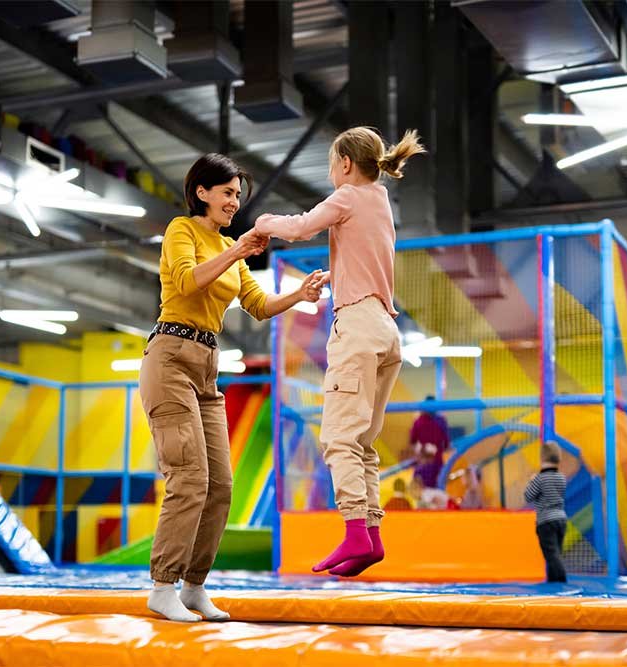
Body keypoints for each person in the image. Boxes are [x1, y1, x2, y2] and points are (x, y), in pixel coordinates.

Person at [141, 153, 329, 622]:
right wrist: (235, 249)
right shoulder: (182, 230)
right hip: (170, 356)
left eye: (238, 195)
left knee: (220, 485)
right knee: (188, 478)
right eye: (227, 193)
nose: (234, 201)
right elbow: (185, 284)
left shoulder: (232, 248)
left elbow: (259, 306)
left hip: (207, 364)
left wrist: (299, 297)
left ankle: (193, 586)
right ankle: (162, 586)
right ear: (202, 192)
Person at [255, 127, 426, 577]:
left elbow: (298, 228)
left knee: (337, 438)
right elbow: (365, 256)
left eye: (332, 164)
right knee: (362, 441)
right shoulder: (380, 201)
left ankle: (354, 530)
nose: (332, 173)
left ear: (345, 164)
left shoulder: (349, 195)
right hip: (387, 331)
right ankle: (369, 535)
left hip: (357, 326)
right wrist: (333, 276)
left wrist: (263, 223)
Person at [523, 441, 568, 583]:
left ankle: (560, 578)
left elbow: (528, 496)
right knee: (556, 552)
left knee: (551, 553)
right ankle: (553, 579)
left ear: (542, 459)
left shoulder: (540, 479)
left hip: (546, 520)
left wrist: (531, 481)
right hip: (560, 518)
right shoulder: (561, 477)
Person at [410, 398, 450, 490]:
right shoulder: (441, 421)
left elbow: (412, 441)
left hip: (424, 461)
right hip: (437, 461)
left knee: (421, 489)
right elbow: (446, 442)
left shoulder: (418, 422)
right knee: (439, 487)